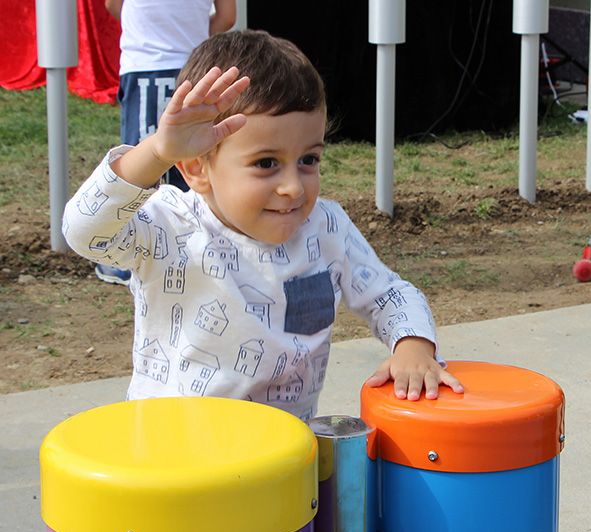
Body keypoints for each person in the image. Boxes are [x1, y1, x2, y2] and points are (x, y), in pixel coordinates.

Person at [62, 29, 463, 421]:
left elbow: (389, 294)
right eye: (266, 163)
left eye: (309, 159)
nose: (292, 187)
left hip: (279, 462)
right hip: (173, 462)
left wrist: (413, 345)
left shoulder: (325, 228)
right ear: (196, 168)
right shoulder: (171, 226)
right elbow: (84, 231)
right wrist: (156, 152)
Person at [98, 0, 236, 285]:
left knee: (142, 163)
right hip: (192, 66)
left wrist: (152, 33)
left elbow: (113, 5)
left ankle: (133, 257)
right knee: (195, 162)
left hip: (146, 64)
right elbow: (226, 17)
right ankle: (201, 247)